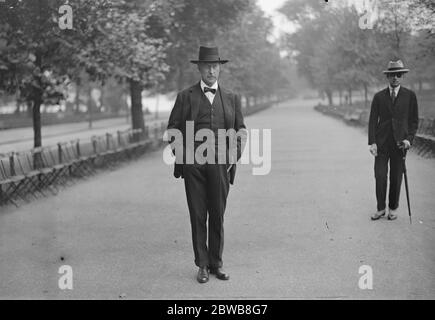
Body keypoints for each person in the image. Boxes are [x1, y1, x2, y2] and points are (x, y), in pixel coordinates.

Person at [167, 46, 246, 283]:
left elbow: (241, 130)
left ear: (219, 68)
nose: (211, 70)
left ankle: (216, 264)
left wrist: (233, 155)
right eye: (207, 66)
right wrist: (184, 158)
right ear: (199, 68)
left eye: (215, 66)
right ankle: (201, 264)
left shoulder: (231, 98)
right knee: (198, 215)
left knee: (218, 215)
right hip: (194, 166)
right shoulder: (185, 97)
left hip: (220, 164)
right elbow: (173, 130)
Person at [368, 60, 419, 221]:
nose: (395, 78)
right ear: (387, 77)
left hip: (400, 144)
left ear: (402, 76)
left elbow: (413, 121)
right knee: (380, 176)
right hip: (382, 144)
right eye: (392, 75)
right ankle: (381, 208)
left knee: (396, 177)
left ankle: (393, 208)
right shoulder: (378, 97)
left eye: (398, 74)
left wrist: (409, 140)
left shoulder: (410, 96)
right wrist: (373, 142)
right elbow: (372, 120)